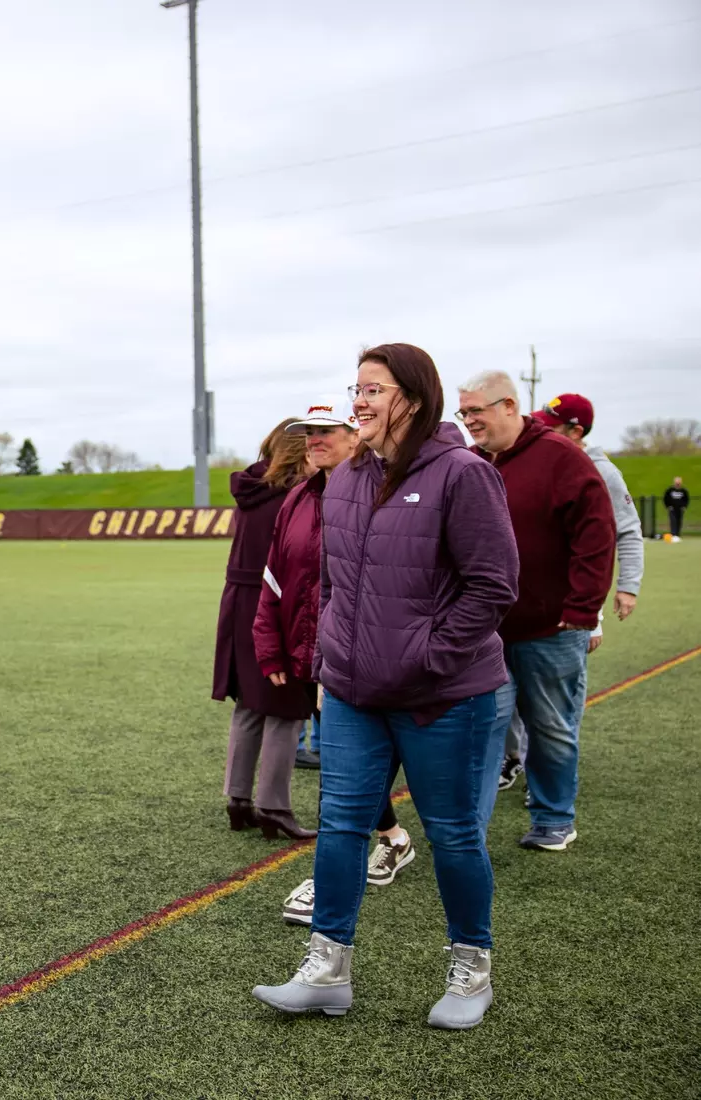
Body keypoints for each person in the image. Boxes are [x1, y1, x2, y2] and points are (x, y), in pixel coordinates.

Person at [253, 343, 518, 1031]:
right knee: (341, 824)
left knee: (453, 834)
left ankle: (471, 971)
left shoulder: (463, 473)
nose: (360, 401)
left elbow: (493, 587)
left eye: (374, 389)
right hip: (351, 691)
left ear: (415, 398)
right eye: (357, 389)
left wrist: (427, 658)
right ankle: (326, 970)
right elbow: (334, 584)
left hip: (443, 694)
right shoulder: (344, 478)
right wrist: (329, 661)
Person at [252, 396, 414, 927]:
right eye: (309, 433)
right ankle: (392, 840)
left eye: (326, 432)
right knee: (349, 766)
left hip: (366, 656)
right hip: (311, 654)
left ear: (355, 436)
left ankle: (338, 875)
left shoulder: (380, 490)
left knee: (355, 769)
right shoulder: (299, 496)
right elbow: (275, 576)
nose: (314, 441)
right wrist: (269, 643)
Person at [458, 373, 615, 852]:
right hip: (486, 629)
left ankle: (553, 818)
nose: (468, 421)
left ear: (508, 405)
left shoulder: (561, 457)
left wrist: (583, 607)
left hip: (551, 627)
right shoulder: (472, 461)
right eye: (463, 413)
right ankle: (469, 829)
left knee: (549, 727)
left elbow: (596, 535)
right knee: (484, 726)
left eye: (476, 411)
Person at [497, 394, 642, 793]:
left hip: (570, 609)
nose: (540, 431)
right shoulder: (534, 459)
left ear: (576, 431)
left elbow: (623, 533)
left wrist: (626, 588)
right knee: (506, 697)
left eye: (553, 426)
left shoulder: (599, 470)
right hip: (520, 607)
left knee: (555, 705)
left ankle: (549, 779)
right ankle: (514, 758)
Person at [213, 418, 315, 840]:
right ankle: (274, 805)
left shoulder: (251, 489)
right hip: (275, 604)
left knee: (250, 703)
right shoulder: (296, 496)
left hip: (239, 603)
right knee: (285, 706)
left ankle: (238, 800)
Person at [665, 476, 689, 541]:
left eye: (679, 483)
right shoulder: (670, 490)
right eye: (676, 483)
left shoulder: (683, 491)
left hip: (680, 509)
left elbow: (686, 499)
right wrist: (668, 506)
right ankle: (673, 534)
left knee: (679, 521)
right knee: (673, 521)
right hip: (672, 509)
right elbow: (666, 498)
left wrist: (684, 506)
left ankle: (678, 534)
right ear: (674, 483)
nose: (677, 484)